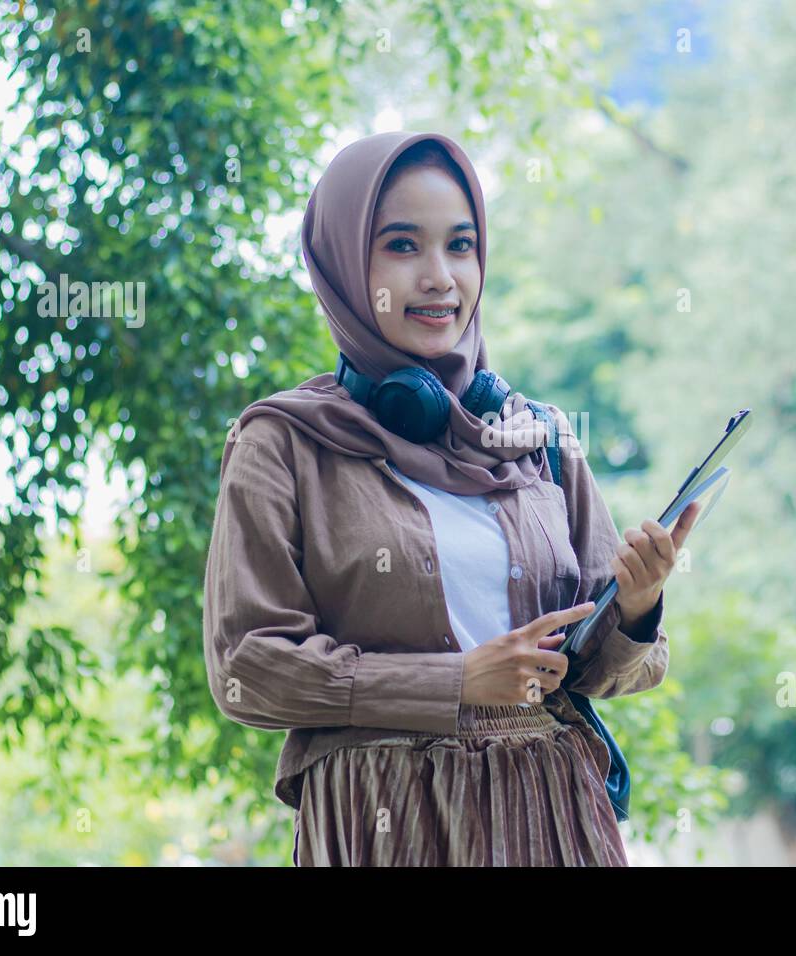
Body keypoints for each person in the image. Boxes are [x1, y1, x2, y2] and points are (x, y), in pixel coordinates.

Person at [202, 130, 701, 866]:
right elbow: (248, 669)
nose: (440, 277)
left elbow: (607, 670)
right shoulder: (282, 443)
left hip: (554, 815)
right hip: (386, 819)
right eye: (403, 246)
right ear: (343, 263)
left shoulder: (540, 440)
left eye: (460, 246)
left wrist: (636, 605)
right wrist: (455, 682)